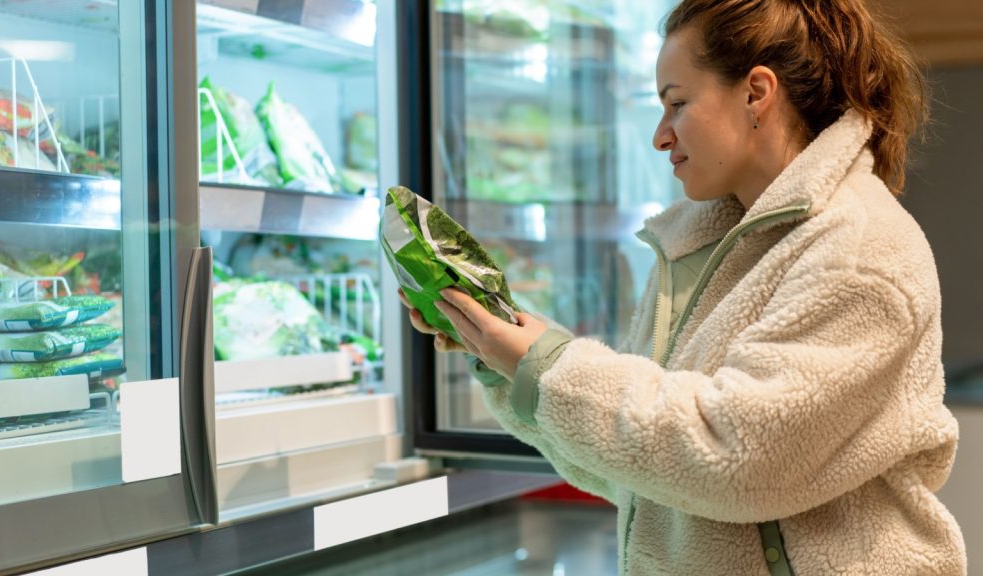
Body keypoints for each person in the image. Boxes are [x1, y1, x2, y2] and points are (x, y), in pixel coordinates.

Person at [400, 0, 967, 573]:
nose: (660, 136)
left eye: (677, 103)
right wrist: (503, 357)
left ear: (756, 94)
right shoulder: (702, 250)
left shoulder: (857, 250)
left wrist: (549, 364)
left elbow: (739, 457)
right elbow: (644, 468)